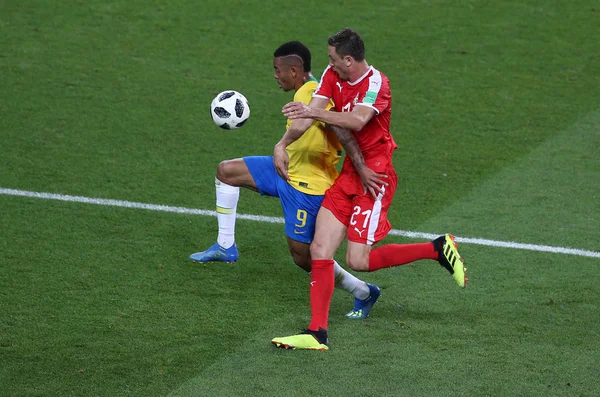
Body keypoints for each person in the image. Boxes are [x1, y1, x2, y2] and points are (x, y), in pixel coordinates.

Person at [271, 28, 467, 351]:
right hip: (351, 171)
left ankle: (437, 249)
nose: (329, 64)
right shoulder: (333, 77)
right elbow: (310, 118)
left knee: (358, 259)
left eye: (333, 59)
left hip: (375, 177)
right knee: (320, 249)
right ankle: (317, 333)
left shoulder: (378, 84)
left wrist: (314, 112)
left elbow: (357, 121)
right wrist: (283, 143)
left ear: (349, 60)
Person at [189, 41, 382, 319]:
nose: (275, 75)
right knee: (226, 172)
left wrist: (360, 166)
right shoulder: (306, 90)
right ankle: (225, 245)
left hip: (308, 187)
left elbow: (341, 131)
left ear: (294, 70)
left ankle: (363, 291)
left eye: (278, 70)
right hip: (284, 169)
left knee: (305, 258)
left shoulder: (314, 93)